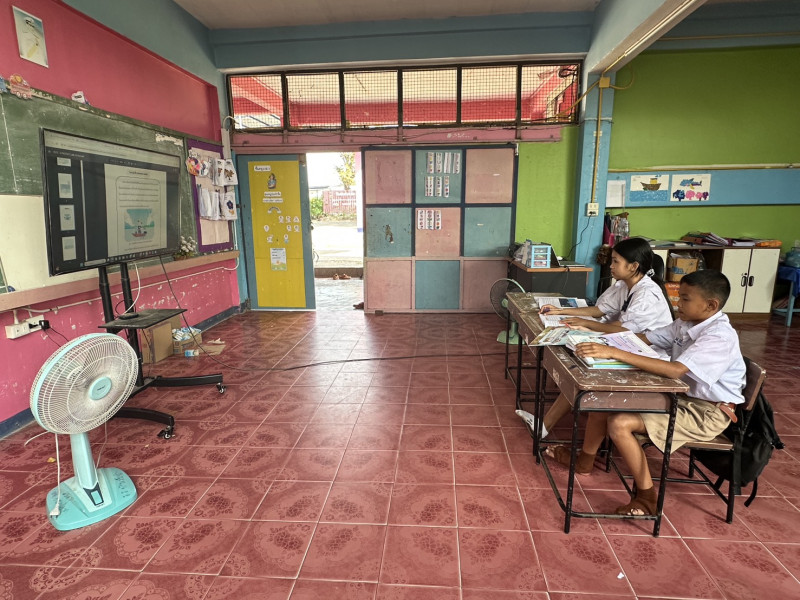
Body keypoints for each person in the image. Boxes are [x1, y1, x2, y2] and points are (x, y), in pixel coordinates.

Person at [551, 270, 746, 515]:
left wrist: (614, 353)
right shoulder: (685, 323)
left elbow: (675, 370)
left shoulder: (718, 337)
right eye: (679, 296)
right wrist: (592, 332)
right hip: (680, 397)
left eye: (685, 299)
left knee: (619, 423)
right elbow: (642, 338)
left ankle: (646, 499)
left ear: (711, 305)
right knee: (602, 400)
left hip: (707, 412)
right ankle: (584, 461)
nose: (677, 303)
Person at [517, 237, 674, 438]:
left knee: (583, 369)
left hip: (649, 356)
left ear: (634, 266)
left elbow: (622, 330)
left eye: (616, 261)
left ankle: (546, 425)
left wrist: (587, 324)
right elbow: (600, 309)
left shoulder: (647, 295)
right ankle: (544, 426)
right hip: (627, 344)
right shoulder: (625, 285)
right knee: (578, 362)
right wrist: (561, 311)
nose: (611, 266)